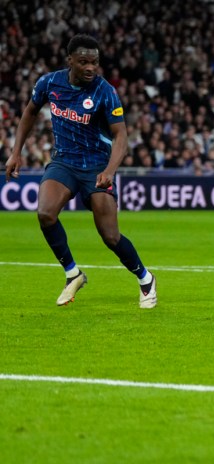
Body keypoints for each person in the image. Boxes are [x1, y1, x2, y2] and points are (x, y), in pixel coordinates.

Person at [4, 34, 157, 309]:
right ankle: (72, 274)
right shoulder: (49, 83)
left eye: (94, 62)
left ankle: (145, 278)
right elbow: (29, 112)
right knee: (45, 213)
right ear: (70, 61)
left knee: (110, 236)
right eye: (84, 62)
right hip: (64, 162)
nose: (90, 67)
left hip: (98, 166)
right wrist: (16, 152)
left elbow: (121, 136)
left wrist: (110, 170)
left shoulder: (105, 91)